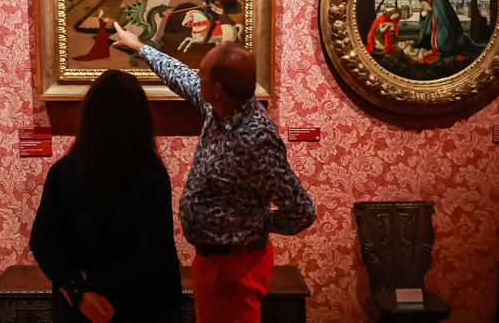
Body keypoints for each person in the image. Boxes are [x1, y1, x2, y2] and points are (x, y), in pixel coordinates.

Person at [111, 25, 316, 323]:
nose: (197, 75)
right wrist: (140, 47)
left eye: (202, 72)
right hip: (214, 262)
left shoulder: (255, 138)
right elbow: (181, 76)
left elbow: (302, 211)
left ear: (217, 88)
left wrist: (254, 223)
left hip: (236, 267)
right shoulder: (219, 107)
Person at [29, 70, 182, 323]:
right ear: (140, 118)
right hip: (143, 306)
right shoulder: (152, 173)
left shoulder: (64, 172)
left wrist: (79, 289)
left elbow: (44, 242)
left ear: (89, 116)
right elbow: (153, 252)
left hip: (80, 308)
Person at [412, 0, 480, 63]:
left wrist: (430, 8)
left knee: (442, 38)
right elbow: (426, 12)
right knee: (433, 36)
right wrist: (425, 11)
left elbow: (443, 13)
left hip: (443, 23)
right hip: (434, 22)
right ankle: (435, 49)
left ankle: (443, 50)